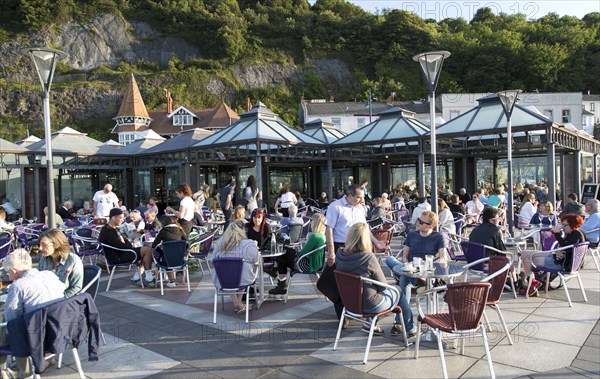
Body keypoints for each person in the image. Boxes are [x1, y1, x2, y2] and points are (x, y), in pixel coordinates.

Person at [336, 223, 416, 337]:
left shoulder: (340, 255)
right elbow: (383, 286)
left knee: (374, 293)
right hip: (370, 305)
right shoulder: (368, 257)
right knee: (397, 290)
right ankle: (410, 328)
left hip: (349, 303)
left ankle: (370, 325)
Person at [321, 184, 386, 319]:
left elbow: (365, 228)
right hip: (341, 246)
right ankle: (342, 316)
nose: (362, 200)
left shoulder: (361, 208)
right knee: (337, 282)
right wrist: (331, 251)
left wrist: (376, 242)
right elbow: (329, 229)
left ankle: (356, 308)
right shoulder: (335, 207)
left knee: (356, 281)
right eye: (359, 197)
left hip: (359, 247)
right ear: (349, 196)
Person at [1, 249, 65, 378]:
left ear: (13, 270)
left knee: (8, 328)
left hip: (38, 337)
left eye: (7, 273)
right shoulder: (50, 274)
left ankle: (22, 373)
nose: (8, 276)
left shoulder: (18, 285)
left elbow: (12, 318)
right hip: (62, 330)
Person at [386, 211, 447, 306]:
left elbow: (443, 258)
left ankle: (402, 319)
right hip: (410, 268)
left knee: (403, 278)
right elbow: (405, 255)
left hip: (426, 272)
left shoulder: (438, 237)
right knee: (389, 259)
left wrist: (432, 267)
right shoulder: (412, 234)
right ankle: (420, 282)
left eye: (422, 222)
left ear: (430, 226)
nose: (417, 223)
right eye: (418, 220)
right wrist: (407, 265)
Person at [519, 214, 586, 296]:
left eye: (565, 225)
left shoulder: (576, 234)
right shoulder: (576, 233)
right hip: (557, 258)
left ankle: (531, 284)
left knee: (530, 260)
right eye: (562, 224)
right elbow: (565, 248)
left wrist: (557, 234)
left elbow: (565, 247)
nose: (563, 227)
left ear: (572, 225)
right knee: (524, 253)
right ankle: (533, 281)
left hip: (560, 264)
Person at [268, 213, 327, 295]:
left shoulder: (314, 237)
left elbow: (302, 253)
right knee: (283, 258)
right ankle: (277, 277)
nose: (310, 223)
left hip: (307, 265)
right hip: (316, 265)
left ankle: (279, 279)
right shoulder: (322, 236)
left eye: (312, 221)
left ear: (316, 223)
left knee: (283, 253)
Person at [211, 219, 259, 313]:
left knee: (229, 272)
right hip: (244, 279)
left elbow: (213, 259)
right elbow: (256, 260)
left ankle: (237, 302)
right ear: (243, 231)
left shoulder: (220, 243)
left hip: (222, 280)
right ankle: (238, 303)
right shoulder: (249, 243)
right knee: (245, 270)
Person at [98, 208, 155, 286]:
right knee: (147, 250)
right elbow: (120, 245)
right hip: (117, 256)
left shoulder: (113, 229)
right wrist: (129, 246)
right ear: (113, 218)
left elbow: (125, 241)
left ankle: (138, 277)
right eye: (120, 218)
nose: (122, 220)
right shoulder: (108, 231)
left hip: (122, 252)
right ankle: (149, 279)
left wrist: (127, 243)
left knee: (146, 251)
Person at [37, 228, 84, 298]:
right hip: (46, 298)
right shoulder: (43, 259)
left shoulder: (73, 260)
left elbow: (76, 288)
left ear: (56, 245)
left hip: (64, 301)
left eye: (44, 245)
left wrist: (58, 299)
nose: (40, 248)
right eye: (39, 245)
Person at [151, 216, 187, 288]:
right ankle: (174, 280)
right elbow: (186, 242)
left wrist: (161, 252)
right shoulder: (180, 230)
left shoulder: (163, 231)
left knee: (164, 259)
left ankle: (171, 280)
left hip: (167, 259)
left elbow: (154, 245)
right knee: (167, 256)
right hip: (180, 259)